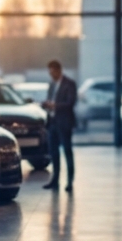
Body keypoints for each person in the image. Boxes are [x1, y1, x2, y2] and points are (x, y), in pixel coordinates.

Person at [41, 60, 77, 192]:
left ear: (59, 70)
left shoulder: (70, 84)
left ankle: (69, 182)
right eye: (49, 72)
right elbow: (51, 100)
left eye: (52, 72)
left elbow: (70, 103)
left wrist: (54, 105)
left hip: (65, 122)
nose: (51, 75)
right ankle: (55, 180)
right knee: (54, 153)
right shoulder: (51, 85)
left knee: (67, 152)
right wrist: (47, 105)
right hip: (53, 122)